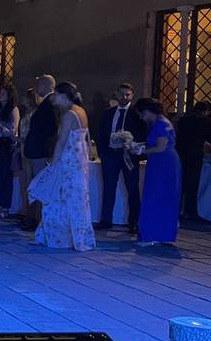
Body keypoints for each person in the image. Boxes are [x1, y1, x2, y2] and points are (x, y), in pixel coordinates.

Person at [27, 82, 95, 252]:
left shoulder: (69, 115)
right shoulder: (81, 112)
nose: (53, 99)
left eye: (56, 95)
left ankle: (59, 238)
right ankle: (75, 236)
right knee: (76, 199)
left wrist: (52, 164)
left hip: (68, 162)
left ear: (63, 96)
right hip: (79, 161)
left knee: (57, 198)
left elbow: (61, 142)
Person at [96, 82, 147, 234]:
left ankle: (134, 222)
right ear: (116, 94)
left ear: (132, 95)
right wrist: (102, 153)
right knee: (108, 188)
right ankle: (106, 220)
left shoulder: (136, 114)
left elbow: (143, 134)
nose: (124, 97)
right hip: (110, 155)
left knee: (132, 189)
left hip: (129, 156)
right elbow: (100, 133)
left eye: (127, 94)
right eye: (122, 94)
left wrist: (134, 147)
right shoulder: (108, 113)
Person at [134, 98, 182, 245]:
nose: (142, 118)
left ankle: (153, 234)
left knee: (157, 197)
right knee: (159, 196)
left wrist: (141, 150)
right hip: (162, 162)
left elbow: (160, 147)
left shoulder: (161, 124)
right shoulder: (162, 122)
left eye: (142, 114)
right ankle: (157, 233)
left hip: (163, 163)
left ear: (147, 111)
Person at [21, 75, 58, 231]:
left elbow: (52, 129)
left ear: (46, 85)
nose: (37, 88)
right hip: (35, 151)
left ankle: (40, 219)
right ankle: (34, 217)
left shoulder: (50, 103)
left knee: (41, 186)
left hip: (41, 151)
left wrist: (48, 150)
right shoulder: (46, 103)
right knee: (35, 185)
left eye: (39, 84)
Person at [175, 101, 211, 220]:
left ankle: (177, 209)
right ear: (206, 111)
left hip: (180, 154)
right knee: (192, 184)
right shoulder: (204, 122)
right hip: (194, 156)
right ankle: (190, 211)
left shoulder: (183, 120)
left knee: (180, 183)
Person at [0, 84, 20, 218]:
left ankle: (5, 207)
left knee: (6, 178)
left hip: (5, 147)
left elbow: (13, 131)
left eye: (3, 93)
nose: (0, 95)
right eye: (0, 93)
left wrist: (0, 125)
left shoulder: (13, 110)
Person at [16, 88, 38, 218]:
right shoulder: (26, 113)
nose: (23, 100)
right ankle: (25, 209)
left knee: (30, 181)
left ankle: (31, 213)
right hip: (23, 148)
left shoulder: (33, 114)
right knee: (24, 181)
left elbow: (29, 133)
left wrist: (18, 139)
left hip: (28, 148)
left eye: (25, 97)